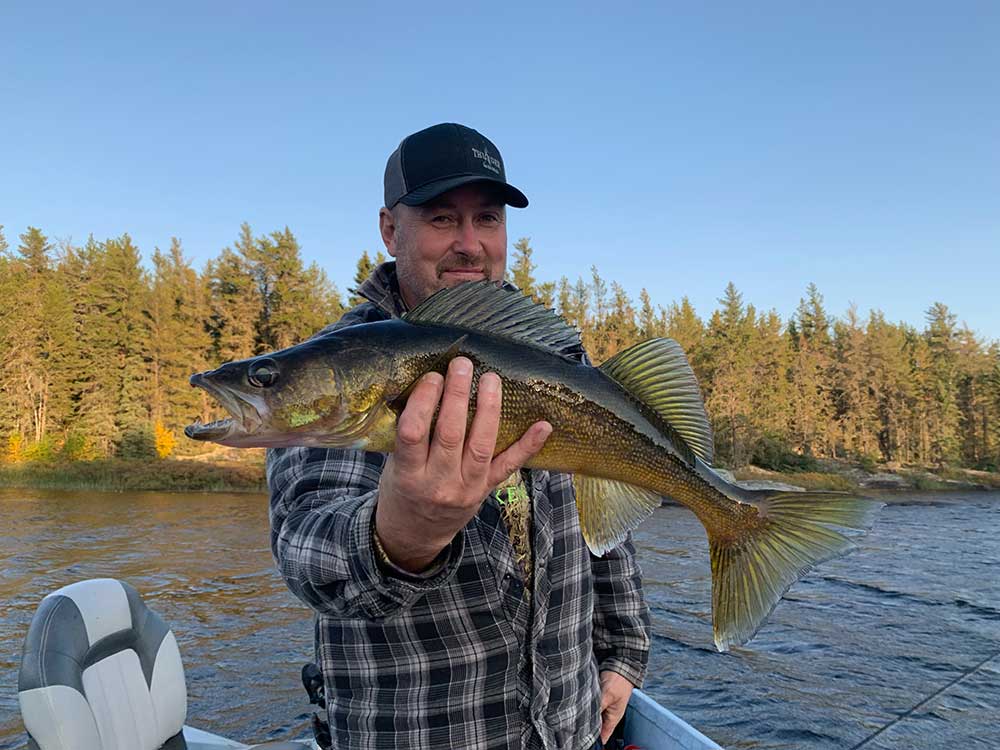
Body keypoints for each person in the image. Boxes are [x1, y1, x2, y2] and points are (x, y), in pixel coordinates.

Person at [268, 123, 650, 750]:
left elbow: (607, 528)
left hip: (570, 730)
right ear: (392, 230)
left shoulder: (557, 355)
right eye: (443, 218)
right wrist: (402, 531)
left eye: (488, 219)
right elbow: (308, 549)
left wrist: (624, 653)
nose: (470, 244)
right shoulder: (349, 363)